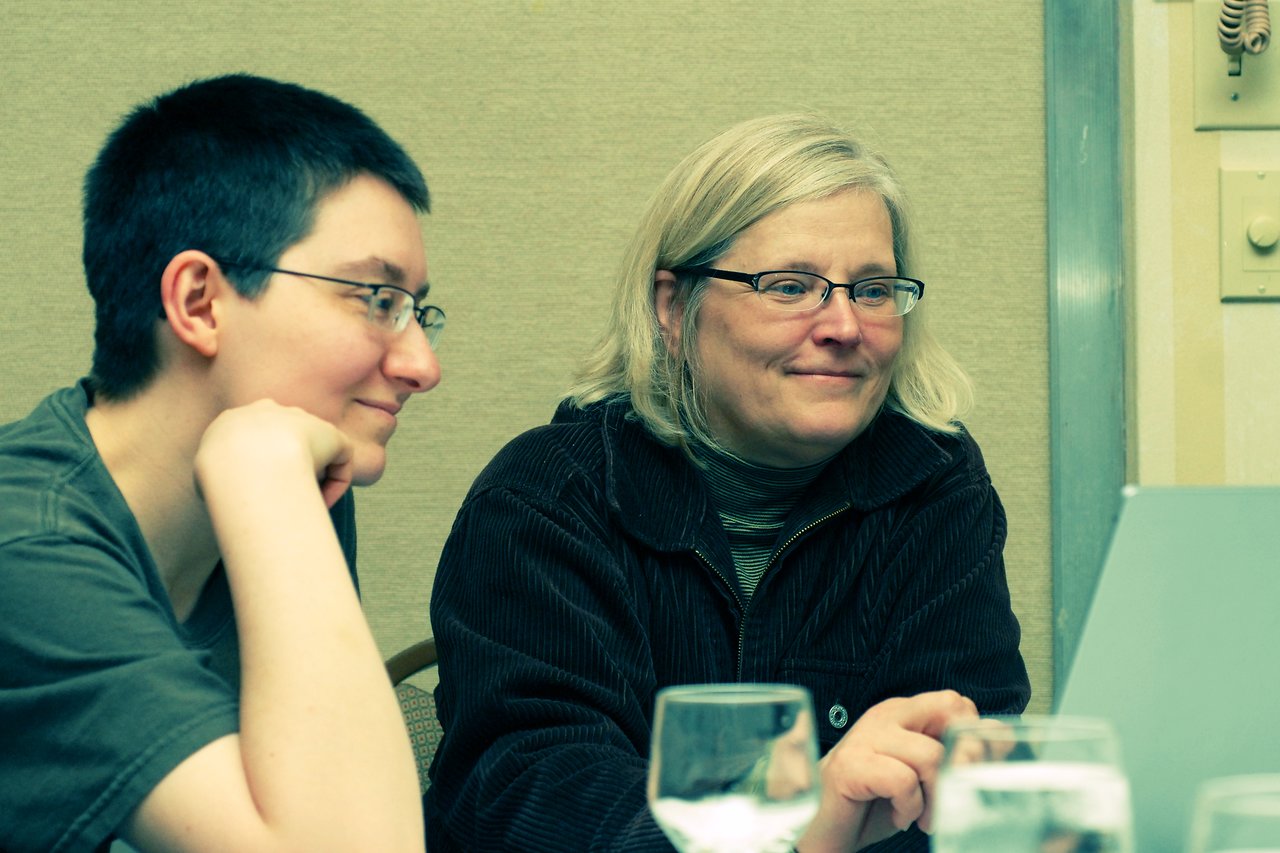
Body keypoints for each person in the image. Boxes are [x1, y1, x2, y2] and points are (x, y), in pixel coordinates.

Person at [424, 113, 1030, 852]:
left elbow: (967, 779)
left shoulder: (936, 486)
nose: (843, 325)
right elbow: (533, 793)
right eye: (790, 286)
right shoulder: (546, 498)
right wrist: (807, 820)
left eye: (872, 290)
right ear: (674, 308)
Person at [0, 74, 445, 852]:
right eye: (378, 298)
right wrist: (268, 486)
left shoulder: (290, 472)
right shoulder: (25, 545)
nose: (421, 363)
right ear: (200, 301)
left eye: (419, 310)